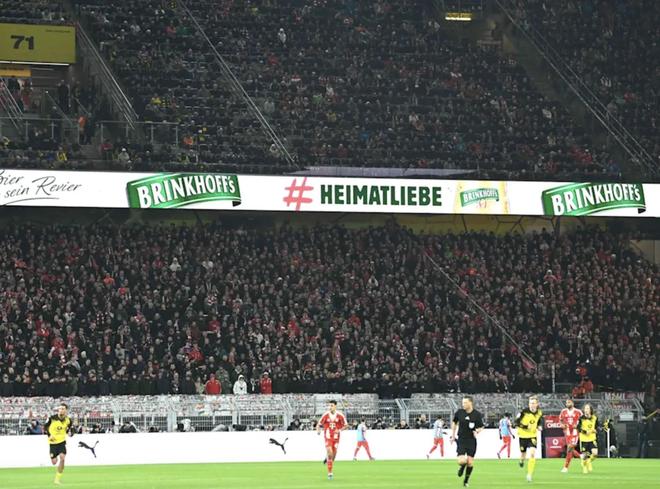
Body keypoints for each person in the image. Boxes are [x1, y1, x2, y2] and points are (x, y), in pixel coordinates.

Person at [451, 396, 484, 488]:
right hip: (461, 439)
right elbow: (454, 422)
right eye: (463, 403)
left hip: (471, 440)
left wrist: (477, 431)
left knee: (469, 462)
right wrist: (453, 435)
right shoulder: (459, 412)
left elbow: (481, 426)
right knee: (461, 461)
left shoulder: (477, 414)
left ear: (470, 403)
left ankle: (466, 481)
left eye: (465, 402)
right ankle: (462, 467)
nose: (463, 404)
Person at [44, 403, 75, 485]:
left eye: (63, 409)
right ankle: (55, 459)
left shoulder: (68, 420)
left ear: (66, 410)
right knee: (54, 462)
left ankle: (57, 479)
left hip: (61, 442)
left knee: (62, 458)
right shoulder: (52, 418)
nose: (61, 410)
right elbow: (45, 427)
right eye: (60, 408)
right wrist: (49, 435)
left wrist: (71, 433)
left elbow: (70, 429)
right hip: (52, 443)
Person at [317, 400, 347, 480]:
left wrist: (339, 430)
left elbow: (346, 425)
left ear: (335, 406)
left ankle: (327, 458)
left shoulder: (340, 415)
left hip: (336, 438)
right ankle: (330, 473)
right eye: (329, 406)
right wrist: (318, 430)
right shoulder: (326, 415)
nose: (330, 407)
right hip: (328, 437)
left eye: (332, 406)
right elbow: (319, 424)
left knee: (333, 457)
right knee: (330, 452)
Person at [515, 395, 543, 482]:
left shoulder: (539, 412)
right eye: (530, 403)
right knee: (523, 454)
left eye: (534, 403)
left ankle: (529, 474)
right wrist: (525, 427)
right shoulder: (523, 412)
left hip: (532, 436)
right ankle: (521, 461)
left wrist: (539, 426)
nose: (532, 405)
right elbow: (516, 422)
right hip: (523, 436)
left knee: (532, 453)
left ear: (537, 404)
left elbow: (539, 420)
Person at [559, 399, 582, 472]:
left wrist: (578, 426)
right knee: (569, 450)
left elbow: (583, 421)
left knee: (570, 447)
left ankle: (566, 467)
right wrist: (562, 425)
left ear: (572, 403)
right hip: (568, 433)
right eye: (566, 403)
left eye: (569, 402)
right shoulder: (563, 411)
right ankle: (581, 457)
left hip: (575, 432)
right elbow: (560, 420)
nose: (567, 404)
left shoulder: (578, 412)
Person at [577, 404, 599, 474]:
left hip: (592, 438)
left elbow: (597, 427)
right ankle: (584, 466)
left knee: (595, 453)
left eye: (587, 409)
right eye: (585, 409)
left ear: (590, 410)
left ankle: (589, 461)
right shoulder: (581, 418)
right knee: (585, 455)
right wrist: (585, 432)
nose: (586, 410)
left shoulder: (595, 418)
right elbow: (578, 428)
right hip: (584, 439)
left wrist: (596, 430)